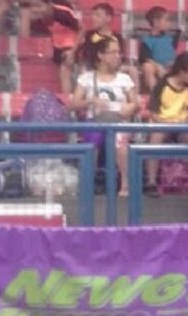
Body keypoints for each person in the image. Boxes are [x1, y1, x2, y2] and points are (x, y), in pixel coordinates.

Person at [71, 36, 138, 196]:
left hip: (119, 122)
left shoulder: (124, 79)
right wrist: (90, 101)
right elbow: (73, 104)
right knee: (92, 141)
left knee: (121, 144)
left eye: (119, 52)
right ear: (101, 55)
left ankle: (125, 185)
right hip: (95, 121)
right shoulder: (87, 78)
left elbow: (136, 104)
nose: (117, 56)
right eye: (113, 52)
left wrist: (129, 108)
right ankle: (88, 183)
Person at [145, 52, 188, 197]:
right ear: (181, 72)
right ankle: (151, 183)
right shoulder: (161, 85)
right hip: (162, 124)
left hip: (183, 126)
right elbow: (153, 112)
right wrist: (165, 123)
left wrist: (183, 123)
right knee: (156, 138)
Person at [19, 0, 82, 94]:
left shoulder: (63, 13)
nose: (36, 10)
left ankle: (69, 98)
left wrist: (73, 51)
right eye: (34, 7)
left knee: (65, 69)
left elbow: (81, 30)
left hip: (72, 44)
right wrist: (25, 17)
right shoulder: (38, 16)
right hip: (57, 45)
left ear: (49, 4)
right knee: (62, 72)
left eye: (39, 6)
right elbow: (25, 36)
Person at [139, 6, 181, 91]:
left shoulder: (170, 38)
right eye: (166, 20)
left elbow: (173, 54)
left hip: (170, 66)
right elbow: (145, 58)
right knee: (147, 67)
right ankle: (155, 93)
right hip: (156, 67)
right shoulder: (147, 40)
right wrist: (158, 66)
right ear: (156, 22)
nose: (169, 23)